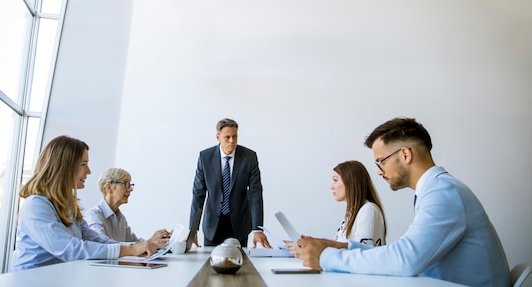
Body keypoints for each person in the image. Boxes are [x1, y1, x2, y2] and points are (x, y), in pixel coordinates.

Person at [295, 118, 510, 287]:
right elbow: (404, 253)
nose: (379, 172)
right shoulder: (437, 190)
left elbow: (405, 259)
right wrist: (343, 246)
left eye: (380, 162)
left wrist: (326, 257)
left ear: (405, 154)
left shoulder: (443, 193)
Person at [14, 136, 170, 270]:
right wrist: (132, 249)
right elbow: (69, 249)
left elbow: (96, 240)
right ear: (64, 167)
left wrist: (138, 247)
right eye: (83, 164)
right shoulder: (36, 206)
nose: (88, 171)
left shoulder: (68, 206)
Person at [189, 118, 271, 248]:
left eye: (234, 136)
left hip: (239, 225)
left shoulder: (249, 158)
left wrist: (257, 229)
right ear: (218, 137)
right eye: (227, 137)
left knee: (240, 264)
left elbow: (255, 194)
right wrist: (193, 230)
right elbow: (198, 194)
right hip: (212, 226)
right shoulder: (205, 157)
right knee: (209, 264)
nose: (232, 141)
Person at [284, 161, 386, 254]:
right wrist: (309, 245)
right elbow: (338, 246)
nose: (331, 186)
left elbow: (361, 252)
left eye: (335, 180)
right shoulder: (351, 212)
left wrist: (314, 247)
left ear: (350, 182)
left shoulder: (368, 210)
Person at [85, 167, 167, 244]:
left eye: (130, 185)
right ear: (109, 188)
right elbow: (102, 245)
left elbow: (135, 243)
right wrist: (150, 242)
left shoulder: (121, 218)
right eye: (126, 183)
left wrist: (157, 242)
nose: (130, 189)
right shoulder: (93, 216)